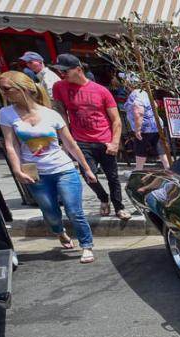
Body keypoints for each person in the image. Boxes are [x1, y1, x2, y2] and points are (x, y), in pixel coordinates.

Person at [0, 70, 96, 263]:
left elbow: (70, 144)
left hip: (63, 169)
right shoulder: (6, 113)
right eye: (1, 89)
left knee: (74, 211)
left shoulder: (51, 114)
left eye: (7, 88)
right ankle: (59, 232)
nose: (4, 93)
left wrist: (86, 168)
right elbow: (11, 145)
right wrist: (17, 170)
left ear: (23, 88)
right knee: (50, 213)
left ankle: (87, 245)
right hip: (35, 173)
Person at [51, 54, 130, 221]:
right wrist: (66, 140)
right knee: (89, 175)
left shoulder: (101, 91)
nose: (62, 74)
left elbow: (116, 119)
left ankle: (119, 206)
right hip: (81, 140)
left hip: (104, 139)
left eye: (65, 71)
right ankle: (103, 198)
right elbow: (61, 114)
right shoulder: (59, 87)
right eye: (60, 71)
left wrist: (115, 142)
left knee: (113, 177)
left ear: (78, 69)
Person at [123, 77, 170, 172]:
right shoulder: (145, 93)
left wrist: (138, 129)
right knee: (159, 147)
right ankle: (168, 168)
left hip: (145, 127)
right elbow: (155, 105)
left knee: (140, 148)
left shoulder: (135, 94)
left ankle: (138, 169)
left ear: (129, 85)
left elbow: (138, 112)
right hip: (156, 126)